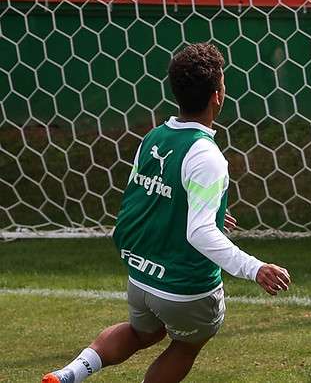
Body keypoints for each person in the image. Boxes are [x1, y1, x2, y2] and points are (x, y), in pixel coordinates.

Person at [43, 42, 292, 383]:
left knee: (142, 332)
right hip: (184, 288)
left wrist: (211, 213)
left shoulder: (154, 137)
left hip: (141, 277)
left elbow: (149, 196)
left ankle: (69, 374)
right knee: (189, 343)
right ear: (217, 96)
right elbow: (200, 233)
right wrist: (256, 268)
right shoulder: (207, 156)